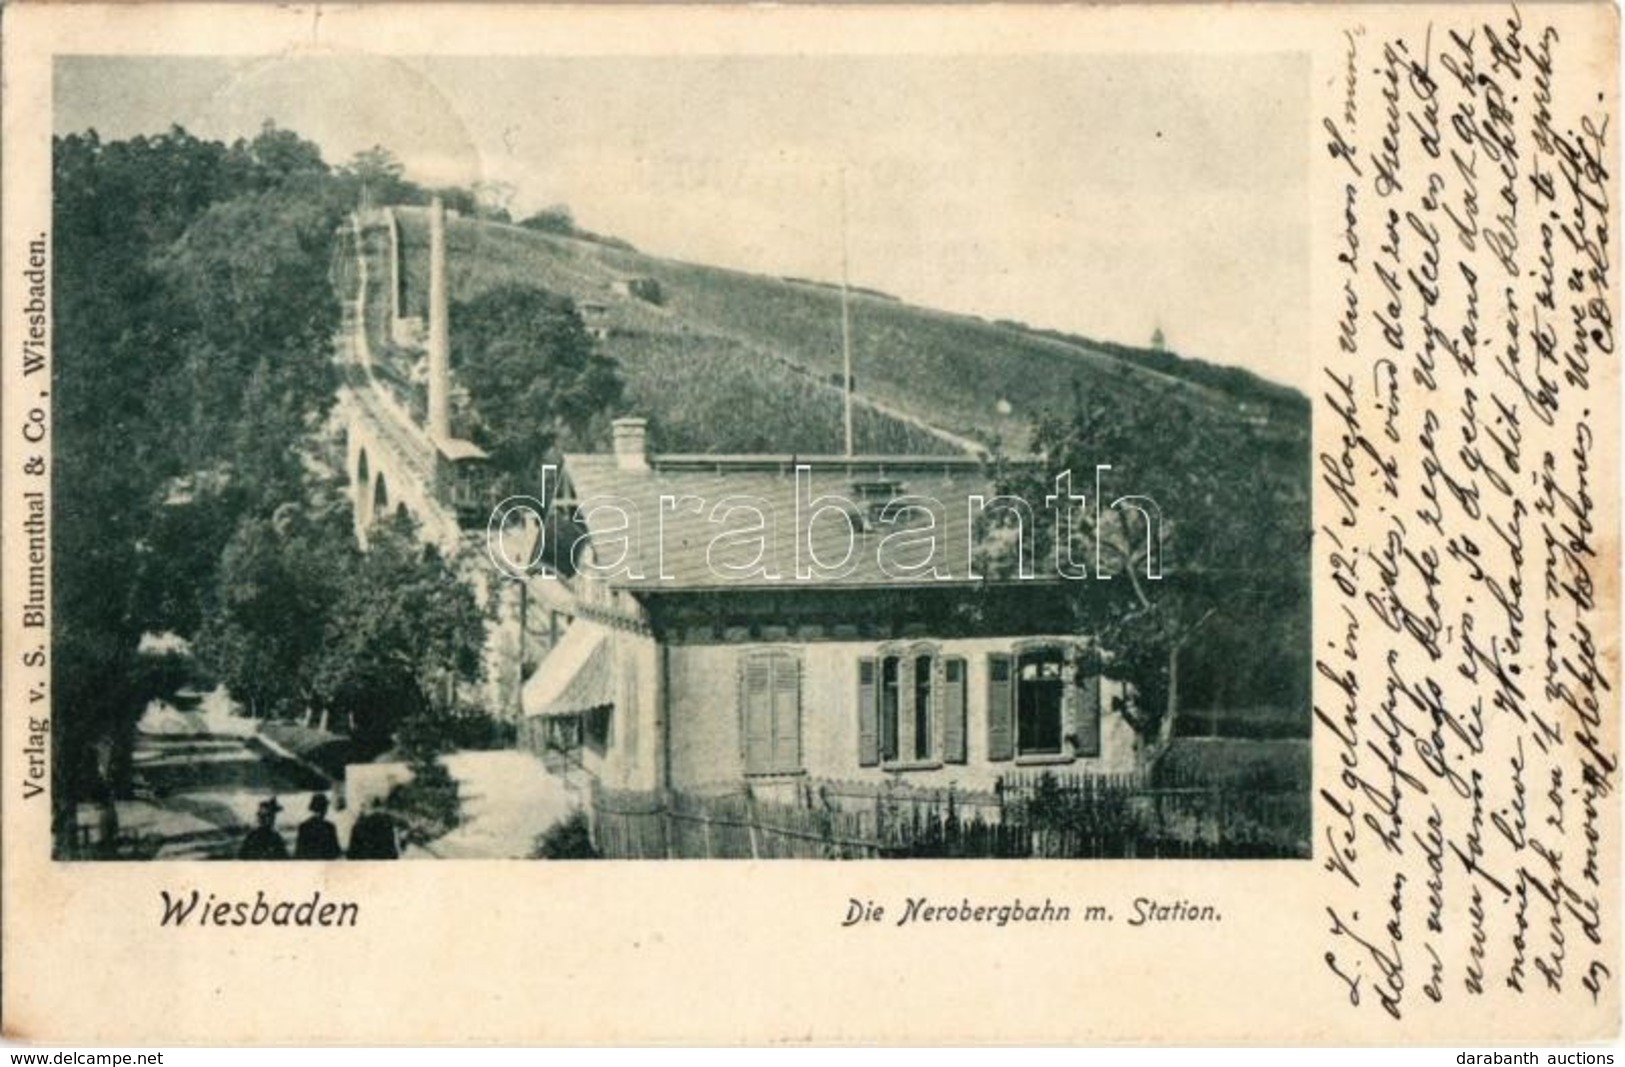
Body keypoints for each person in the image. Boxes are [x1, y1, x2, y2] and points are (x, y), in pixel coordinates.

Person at [294, 793, 342, 860]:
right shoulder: (329, 827)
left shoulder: (304, 826)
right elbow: (335, 852)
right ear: (324, 809)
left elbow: (299, 853)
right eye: (325, 807)